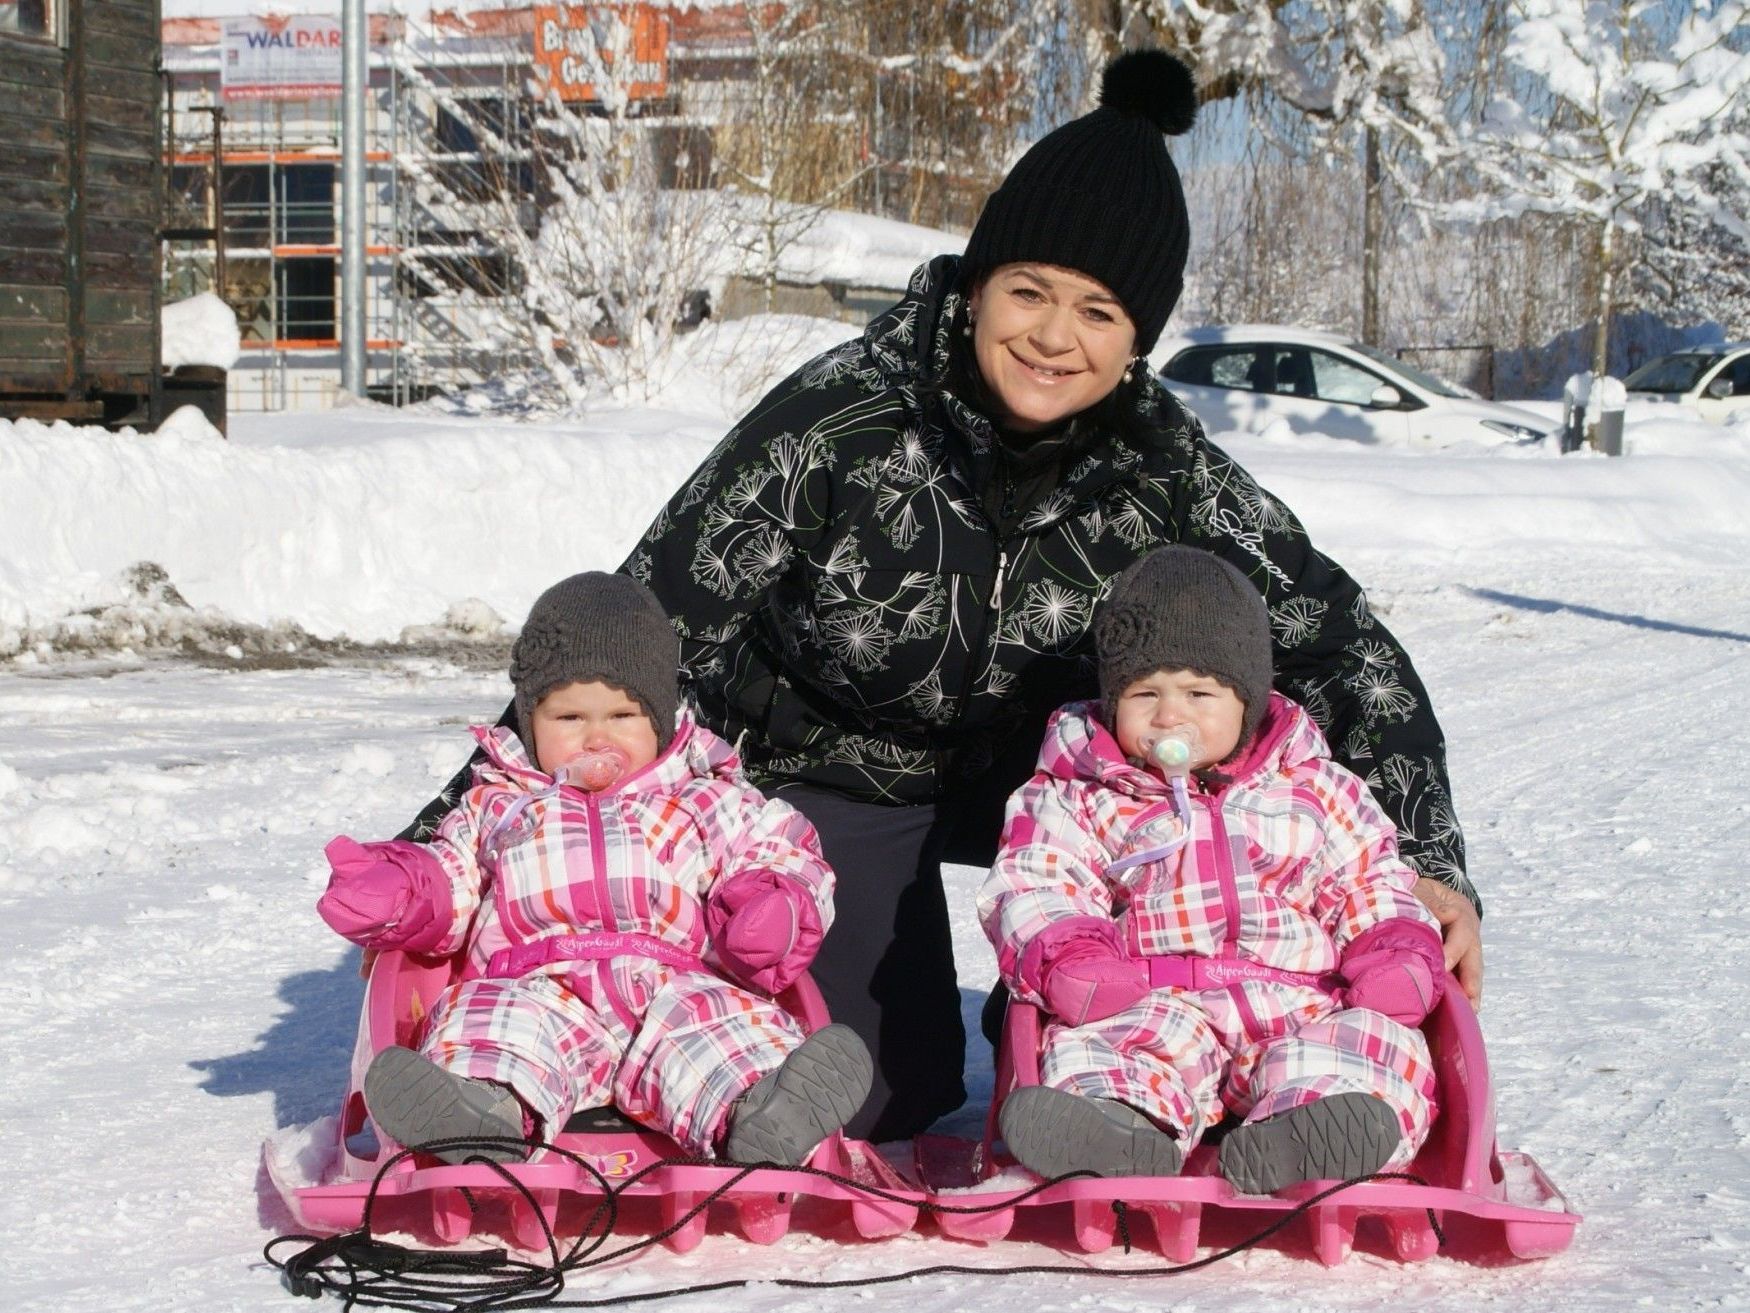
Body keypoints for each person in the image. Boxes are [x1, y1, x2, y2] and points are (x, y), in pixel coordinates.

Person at [411, 48, 1480, 1144]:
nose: (1053, 336)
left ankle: (1166, 1060)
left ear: (1137, 341)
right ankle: (593, 1047)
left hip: (1077, 788)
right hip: (837, 769)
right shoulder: (839, 420)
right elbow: (642, 624)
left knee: (1162, 927)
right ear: (977, 287)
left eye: (1098, 312)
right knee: (875, 1096)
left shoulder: (1167, 474)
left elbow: (1346, 652)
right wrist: (449, 848)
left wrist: (1430, 866)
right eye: (1028, 292)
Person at [318, 572, 872, 1166]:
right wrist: (398, 890)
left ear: (659, 720)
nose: (596, 738)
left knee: (721, 1029)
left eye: (623, 715)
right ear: (530, 722)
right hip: (537, 985)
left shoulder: (705, 798)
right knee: (494, 1024)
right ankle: (478, 1114)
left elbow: (779, 848)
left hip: (673, 985)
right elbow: (449, 879)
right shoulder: (499, 806)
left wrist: (774, 905)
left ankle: (765, 1112)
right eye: (569, 718)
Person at [981, 547, 1443, 1190]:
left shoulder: (1316, 788)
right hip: (1151, 995)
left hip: (1302, 998)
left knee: (1365, 1044)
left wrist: (1391, 949)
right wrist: (1072, 956)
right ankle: (1117, 1129)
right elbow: (1038, 877)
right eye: (1145, 693)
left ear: (1246, 701)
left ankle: (1313, 1133)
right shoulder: (1080, 793)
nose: (1170, 716)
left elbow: (1367, 879)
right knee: (1101, 1047)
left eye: (1198, 693)